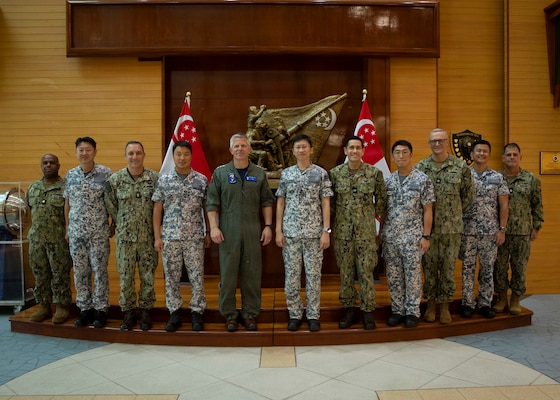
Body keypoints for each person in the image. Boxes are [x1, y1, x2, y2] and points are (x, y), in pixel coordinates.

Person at [207, 133, 275, 332]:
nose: (240, 149)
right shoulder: (220, 173)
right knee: (228, 275)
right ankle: (229, 316)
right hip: (228, 230)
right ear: (231, 150)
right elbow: (212, 203)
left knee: (252, 275)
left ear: (250, 149)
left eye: (243, 145)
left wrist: (268, 226)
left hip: (253, 229)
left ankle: (250, 314)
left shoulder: (259, 173)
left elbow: (267, 202)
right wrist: (213, 227)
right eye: (236, 146)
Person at [415, 128, 474, 324]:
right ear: (429, 143)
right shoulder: (421, 167)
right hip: (428, 230)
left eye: (441, 141)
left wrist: (453, 214)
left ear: (447, 142)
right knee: (429, 269)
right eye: (433, 141)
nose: (437, 144)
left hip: (451, 229)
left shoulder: (460, 167)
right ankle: (431, 304)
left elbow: (467, 196)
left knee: (448, 269)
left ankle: (445, 306)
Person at [275, 134, 333, 332]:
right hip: (290, 233)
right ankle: (294, 314)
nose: (301, 150)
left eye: (304, 147)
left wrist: (326, 231)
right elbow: (280, 202)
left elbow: (326, 203)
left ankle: (313, 315)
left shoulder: (321, 174)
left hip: (314, 234)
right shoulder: (286, 174)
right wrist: (278, 230)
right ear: (293, 151)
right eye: (298, 147)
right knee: (291, 277)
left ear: (311, 149)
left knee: (313, 276)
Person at [329, 136, 387, 330]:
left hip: (366, 233)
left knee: (366, 272)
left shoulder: (373, 173)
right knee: (345, 273)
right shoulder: (335, 174)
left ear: (363, 151)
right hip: (343, 234)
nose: (354, 151)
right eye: (350, 148)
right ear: (345, 151)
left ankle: (368, 311)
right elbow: (331, 204)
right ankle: (349, 310)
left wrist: (370, 220)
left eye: (358, 148)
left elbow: (381, 201)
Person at [152, 141, 210, 332]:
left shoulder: (201, 180)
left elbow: (207, 208)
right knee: (171, 276)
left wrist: (207, 232)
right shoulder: (164, 180)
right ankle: (174, 312)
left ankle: (197, 312)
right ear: (173, 156)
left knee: (196, 276)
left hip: (194, 237)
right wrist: (157, 236)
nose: (182, 158)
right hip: (170, 236)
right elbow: (157, 208)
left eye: (186, 154)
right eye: (178, 154)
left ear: (191, 156)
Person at [105, 141, 159, 331]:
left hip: (148, 238)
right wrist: (119, 221)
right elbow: (110, 203)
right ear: (125, 155)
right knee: (126, 277)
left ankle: (145, 311)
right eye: (131, 153)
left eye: (138, 153)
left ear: (144, 155)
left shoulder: (154, 178)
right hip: (125, 239)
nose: (134, 157)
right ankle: (127, 312)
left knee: (147, 277)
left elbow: (160, 206)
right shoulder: (115, 180)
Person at [382, 140, 435, 328]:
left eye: (405, 152)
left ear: (411, 155)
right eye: (397, 152)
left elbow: (428, 209)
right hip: (391, 238)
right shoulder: (387, 181)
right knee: (394, 275)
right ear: (393, 156)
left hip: (413, 237)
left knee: (412, 276)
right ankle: (397, 310)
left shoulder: (422, 180)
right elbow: (384, 210)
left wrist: (426, 236)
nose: (401, 156)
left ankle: (412, 311)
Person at [64, 137, 113, 328]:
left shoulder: (105, 173)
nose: (84, 153)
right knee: (80, 272)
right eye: (81, 150)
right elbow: (67, 203)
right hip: (76, 233)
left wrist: (112, 224)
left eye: (88, 150)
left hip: (98, 232)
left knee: (100, 271)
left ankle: (101, 309)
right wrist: (67, 228)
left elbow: (111, 201)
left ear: (95, 151)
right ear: (76, 152)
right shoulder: (70, 175)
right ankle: (85, 308)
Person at [459, 140, 509, 319]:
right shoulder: (464, 175)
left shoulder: (497, 177)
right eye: (478, 151)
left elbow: (503, 205)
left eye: (485, 151)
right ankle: (467, 303)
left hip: (490, 231)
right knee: (467, 268)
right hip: (467, 230)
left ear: (489, 154)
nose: (481, 154)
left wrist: (502, 229)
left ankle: (485, 303)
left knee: (488, 268)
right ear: (471, 154)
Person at [494, 143, 543, 315]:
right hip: (500, 233)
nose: (512, 158)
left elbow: (537, 205)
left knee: (519, 267)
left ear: (520, 157)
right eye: (508, 155)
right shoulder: (496, 178)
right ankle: (501, 298)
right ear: (503, 158)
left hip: (522, 232)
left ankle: (515, 299)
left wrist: (536, 226)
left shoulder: (531, 179)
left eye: (515, 155)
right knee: (499, 267)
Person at [25, 154, 73, 324]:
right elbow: (30, 209)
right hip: (37, 240)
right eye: (45, 163)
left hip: (58, 241)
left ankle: (61, 306)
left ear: (58, 165)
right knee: (40, 274)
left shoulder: (65, 188)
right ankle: (44, 306)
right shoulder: (33, 188)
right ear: (41, 165)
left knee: (60, 274)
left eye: (52, 163)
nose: (48, 165)